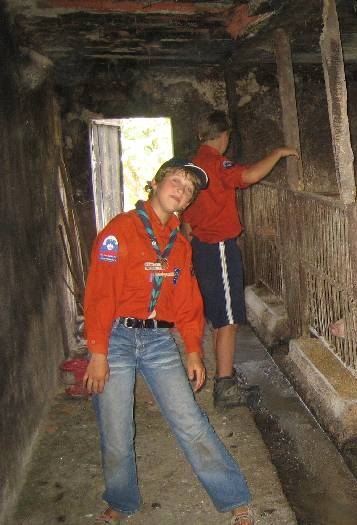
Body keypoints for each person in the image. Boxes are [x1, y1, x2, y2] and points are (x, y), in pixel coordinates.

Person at [82, 158, 254, 525]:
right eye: (176, 181)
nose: (182, 190)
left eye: (189, 190)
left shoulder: (180, 245)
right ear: (157, 184)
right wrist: (97, 352)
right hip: (116, 338)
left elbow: (187, 301)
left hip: (159, 340)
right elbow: (99, 293)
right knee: (116, 429)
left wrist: (193, 349)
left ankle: (233, 497)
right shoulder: (120, 230)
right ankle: (121, 501)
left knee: (190, 421)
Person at [181, 110, 298, 408]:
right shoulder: (215, 164)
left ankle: (224, 378)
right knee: (229, 320)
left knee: (220, 319)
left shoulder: (191, 166)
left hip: (202, 247)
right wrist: (278, 153)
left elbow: (187, 222)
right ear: (224, 136)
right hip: (218, 247)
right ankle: (225, 386)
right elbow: (249, 176)